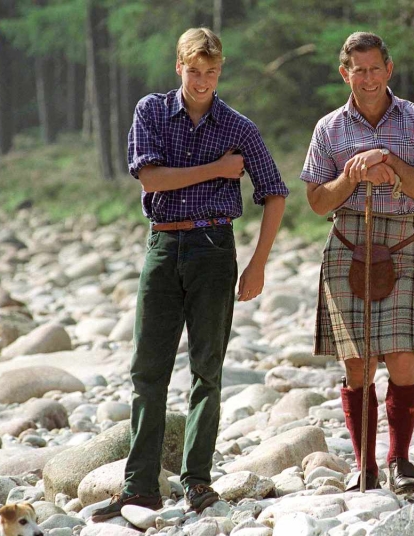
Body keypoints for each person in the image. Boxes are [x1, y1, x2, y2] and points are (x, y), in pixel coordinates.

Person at [91, 27, 288, 521]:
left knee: (207, 371)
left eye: (212, 72)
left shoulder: (238, 126)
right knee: (147, 371)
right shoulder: (151, 111)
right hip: (163, 243)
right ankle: (140, 488)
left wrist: (258, 262)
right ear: (179, 67)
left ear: (220, 71)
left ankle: (198, 483)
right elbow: (151, 177)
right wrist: (219, 169)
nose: (202, 81)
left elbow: (276, 191)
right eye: (194, 71)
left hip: (214, 248)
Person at [300, 32, 414, 494]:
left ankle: (400, 461)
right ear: (345, 73)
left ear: (389, 69)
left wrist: (388, 159)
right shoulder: (329, 128)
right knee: (357, 364)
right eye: (357, 70)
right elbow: (317, 201)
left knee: (403, 359)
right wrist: (354, 173)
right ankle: (364, 465)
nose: (366, 78)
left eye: (374, 68)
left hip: (401, 241)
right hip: (347, 241)